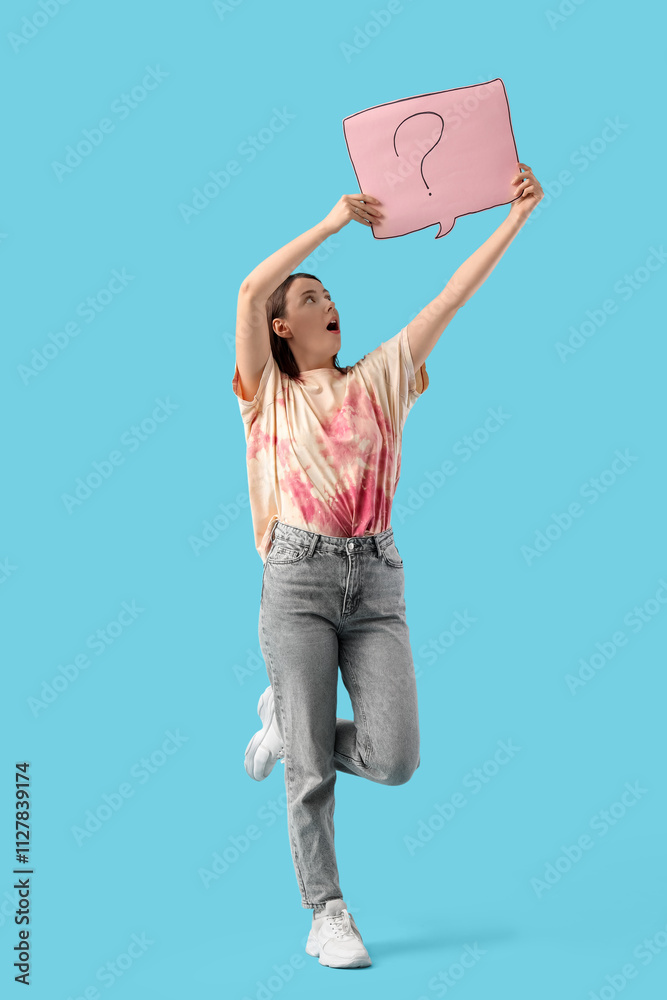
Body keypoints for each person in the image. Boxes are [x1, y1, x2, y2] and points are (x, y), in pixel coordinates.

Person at [232, 165, 544, 969]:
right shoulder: (265, 393)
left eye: (328, 295)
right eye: (307, 300)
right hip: (296, 581)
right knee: (310, 776)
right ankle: (326, 910)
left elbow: (448, 298)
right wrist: (330, 222)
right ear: (280, 331)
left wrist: (513, 218)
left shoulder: (381, 378)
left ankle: (289, 730)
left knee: (395, 757)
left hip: (375, 581)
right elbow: (245, 290)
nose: (325, 304)